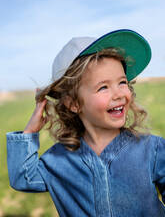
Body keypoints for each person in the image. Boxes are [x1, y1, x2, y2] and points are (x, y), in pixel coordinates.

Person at [6, 29, 165, 217]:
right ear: (73, 103)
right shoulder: (59, 160)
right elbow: (23, 178)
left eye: (122, 82)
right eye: (103, 87)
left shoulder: (151, 149)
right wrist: (29, 133)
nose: (119, 94)